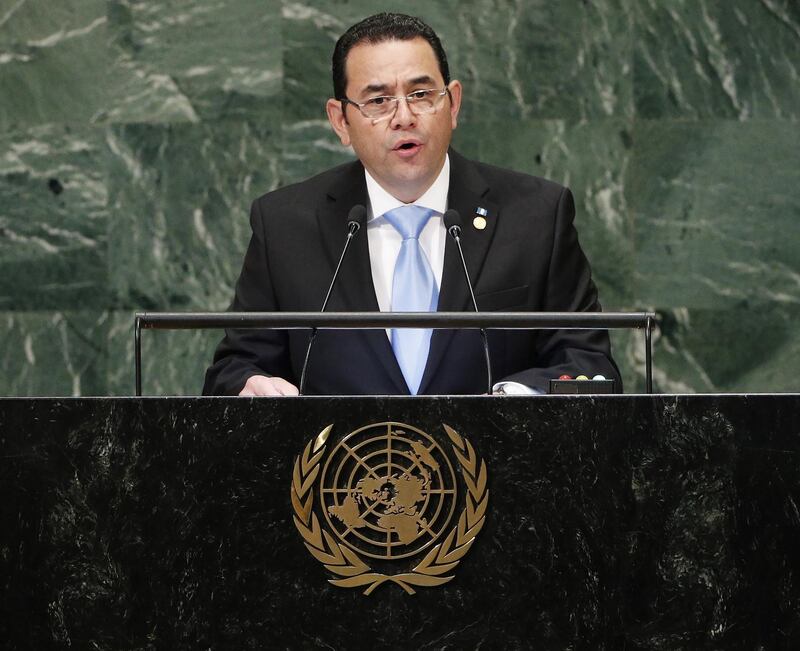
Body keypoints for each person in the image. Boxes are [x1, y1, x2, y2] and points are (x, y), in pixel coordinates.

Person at [203, 12, 620, 397]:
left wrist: (511, 403)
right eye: (378, 100)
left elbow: (589, 364)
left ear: (452, 104)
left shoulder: (536, 215)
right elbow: (236, 367)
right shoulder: (286, 225)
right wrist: (251, 385)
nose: (404, 116)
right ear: (340, 121)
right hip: (342, 474)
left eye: (421, 94)